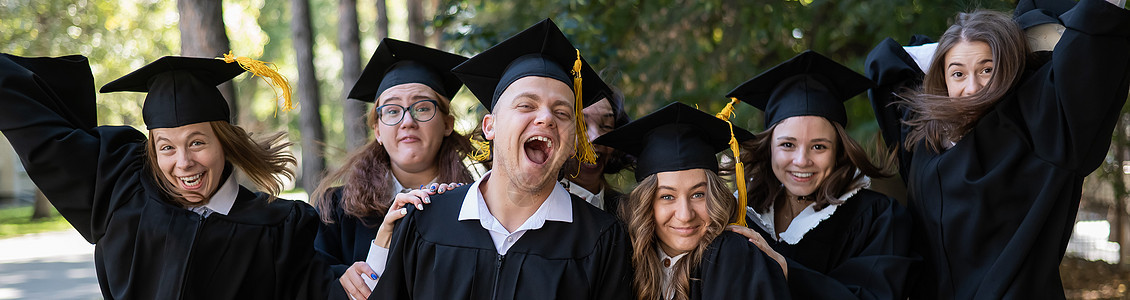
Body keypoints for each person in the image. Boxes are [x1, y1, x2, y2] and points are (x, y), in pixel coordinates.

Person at [0, 54, 332, 299]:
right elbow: (42, 137)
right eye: (167, 147)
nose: (184, 162)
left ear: (224, 143)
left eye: (197, 142)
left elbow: (325, 287)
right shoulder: (119, 188)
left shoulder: (278, 227)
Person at [866, 0, 1130, 298]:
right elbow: (887, 65)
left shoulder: (1036, 135)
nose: (972, 87)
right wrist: (962, 38)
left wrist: (1018, 45)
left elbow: (1089, 53)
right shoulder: (924, 138)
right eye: (958, 74)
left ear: (1008, 71)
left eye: (987, 69)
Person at [368, 18, 633, 299]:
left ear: (571, 144)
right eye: (526, 105)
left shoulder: (600, 240)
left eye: (563, 113)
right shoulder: (424, 223)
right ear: (489, 126)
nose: (546, 118)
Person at [722, 51, 915, 299]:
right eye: (787, 145)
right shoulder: (740, 213)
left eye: (819, 147)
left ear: (839, 151)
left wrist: (787, 271)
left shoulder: (878, 219)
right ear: (769, 147)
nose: (802, 161)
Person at [310, 38, 474, 300]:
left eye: (422, 108)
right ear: (377, 130)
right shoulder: (335, 210)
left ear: (447, 123)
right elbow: (311, 282)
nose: (407, 121)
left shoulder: (477, 206)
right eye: (392, 111)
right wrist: (340, 282)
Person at [594, 102, 787, 300]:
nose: (685, 215)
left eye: (698, 194)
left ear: (715, 197)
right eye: (667, 197)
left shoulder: (729, 254)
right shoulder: (625, 259)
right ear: (646, 204)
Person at [558, 84, 634, 218]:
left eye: (606, 126)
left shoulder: (628, 213)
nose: (595, 137)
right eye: (581, 125)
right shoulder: (539, 207)